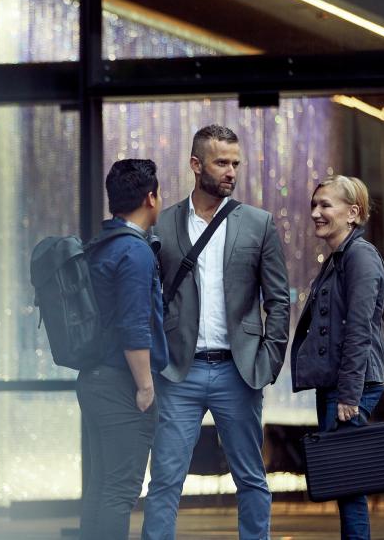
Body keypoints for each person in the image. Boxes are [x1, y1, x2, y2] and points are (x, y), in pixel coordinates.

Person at [141, 125, 291, 540]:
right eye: (221, 162)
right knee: (166, 479)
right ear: (195, 165)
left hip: (238, 373)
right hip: (178, 374)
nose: (230, 171)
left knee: (251, 478)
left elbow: (279, 299)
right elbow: (149, 297)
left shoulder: (258, 224)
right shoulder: (164, 223)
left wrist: (269, 360)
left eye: (235, 164)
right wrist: (156, 358)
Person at [77, 158, 168, 539]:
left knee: (100, 487)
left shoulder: (102, 245)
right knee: (120, 491)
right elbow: (134, 326)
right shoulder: (135, 252)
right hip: (120, 385)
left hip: (94, 379)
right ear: (151, 198)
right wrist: (145, 385)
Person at [291, 175, 384, 540]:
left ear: (353, 213)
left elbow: (359, 328)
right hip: (337, 383)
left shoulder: (360, 256)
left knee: (349, 485)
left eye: (325, 205)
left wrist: (349, 394)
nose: (316, 212)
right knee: (345, 482)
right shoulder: (339, 256)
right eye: (314, 205)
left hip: (350, 386)